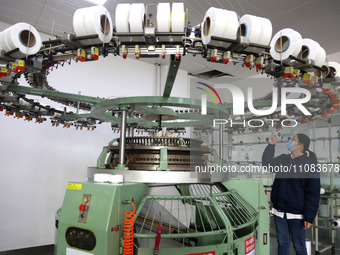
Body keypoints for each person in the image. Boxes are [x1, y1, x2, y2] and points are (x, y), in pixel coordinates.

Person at [262, 133, 320, 255]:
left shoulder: (309, 164)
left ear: (300, 146)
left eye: (293, 140)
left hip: (297, 215)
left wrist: (309, 216)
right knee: (282, 243)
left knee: (299, 245)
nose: (290, 141)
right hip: (279, 212)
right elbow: (266, 164)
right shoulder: (283, 159)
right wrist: (271, 146)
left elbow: (313, 193)